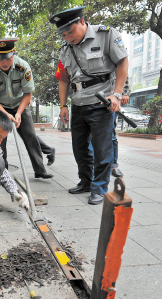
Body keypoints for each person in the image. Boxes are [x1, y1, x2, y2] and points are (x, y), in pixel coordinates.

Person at [50, 7, 128, 205]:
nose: (68, 37)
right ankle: (85, 181)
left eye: (71, 32)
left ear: (82, 22)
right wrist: (63, 105)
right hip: (78, 103)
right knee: (80, 148)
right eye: (64, 34)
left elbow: (122, 62)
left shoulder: (106, 34)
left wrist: (117, 94)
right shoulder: (65, 49)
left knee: (102, 148)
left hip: (102, 102)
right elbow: (63, 79)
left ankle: (99, 187)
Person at [0, 38, 53, 179]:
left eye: (7, 58)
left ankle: (40, 170)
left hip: (20, 105)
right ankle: (2, 173)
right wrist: (4, 114)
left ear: (13, 54)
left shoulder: (23, 67)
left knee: (31, 136)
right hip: (0, 107)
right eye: (0, 59)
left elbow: (28, 93)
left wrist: (19, 113)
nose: (4, 62)